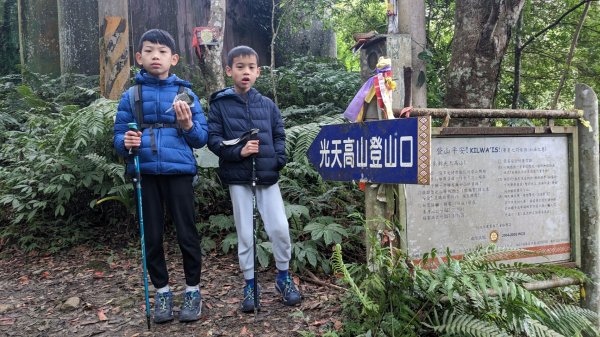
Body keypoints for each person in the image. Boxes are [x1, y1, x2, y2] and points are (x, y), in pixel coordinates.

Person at [113, 29, 208, 323]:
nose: (156, 56)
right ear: (139, 57)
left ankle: (192, 290)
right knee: (151, 236)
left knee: (187, 233)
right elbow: (118, 137)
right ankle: (162, 291)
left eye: (163, 51)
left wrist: (188, 125)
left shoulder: (186, 94)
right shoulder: (132, 96)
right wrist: (126, 143)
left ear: (174, 59)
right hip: (145, 173)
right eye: (150, 51)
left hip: (179, 171)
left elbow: (201, 138)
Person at [207, 45, 302, 313]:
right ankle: (250, 284)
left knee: (280, 228)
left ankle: (283, 278)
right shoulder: (220, 105)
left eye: (250, 68)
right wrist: (239, 151)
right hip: (239, 179)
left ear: (258, 72)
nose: (245, 72)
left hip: (267, 177)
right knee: (246, 234)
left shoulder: (268, 105)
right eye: (240, 67)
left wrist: (278, 159)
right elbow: (213, 140)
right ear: (229, 71)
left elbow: (279, 134)